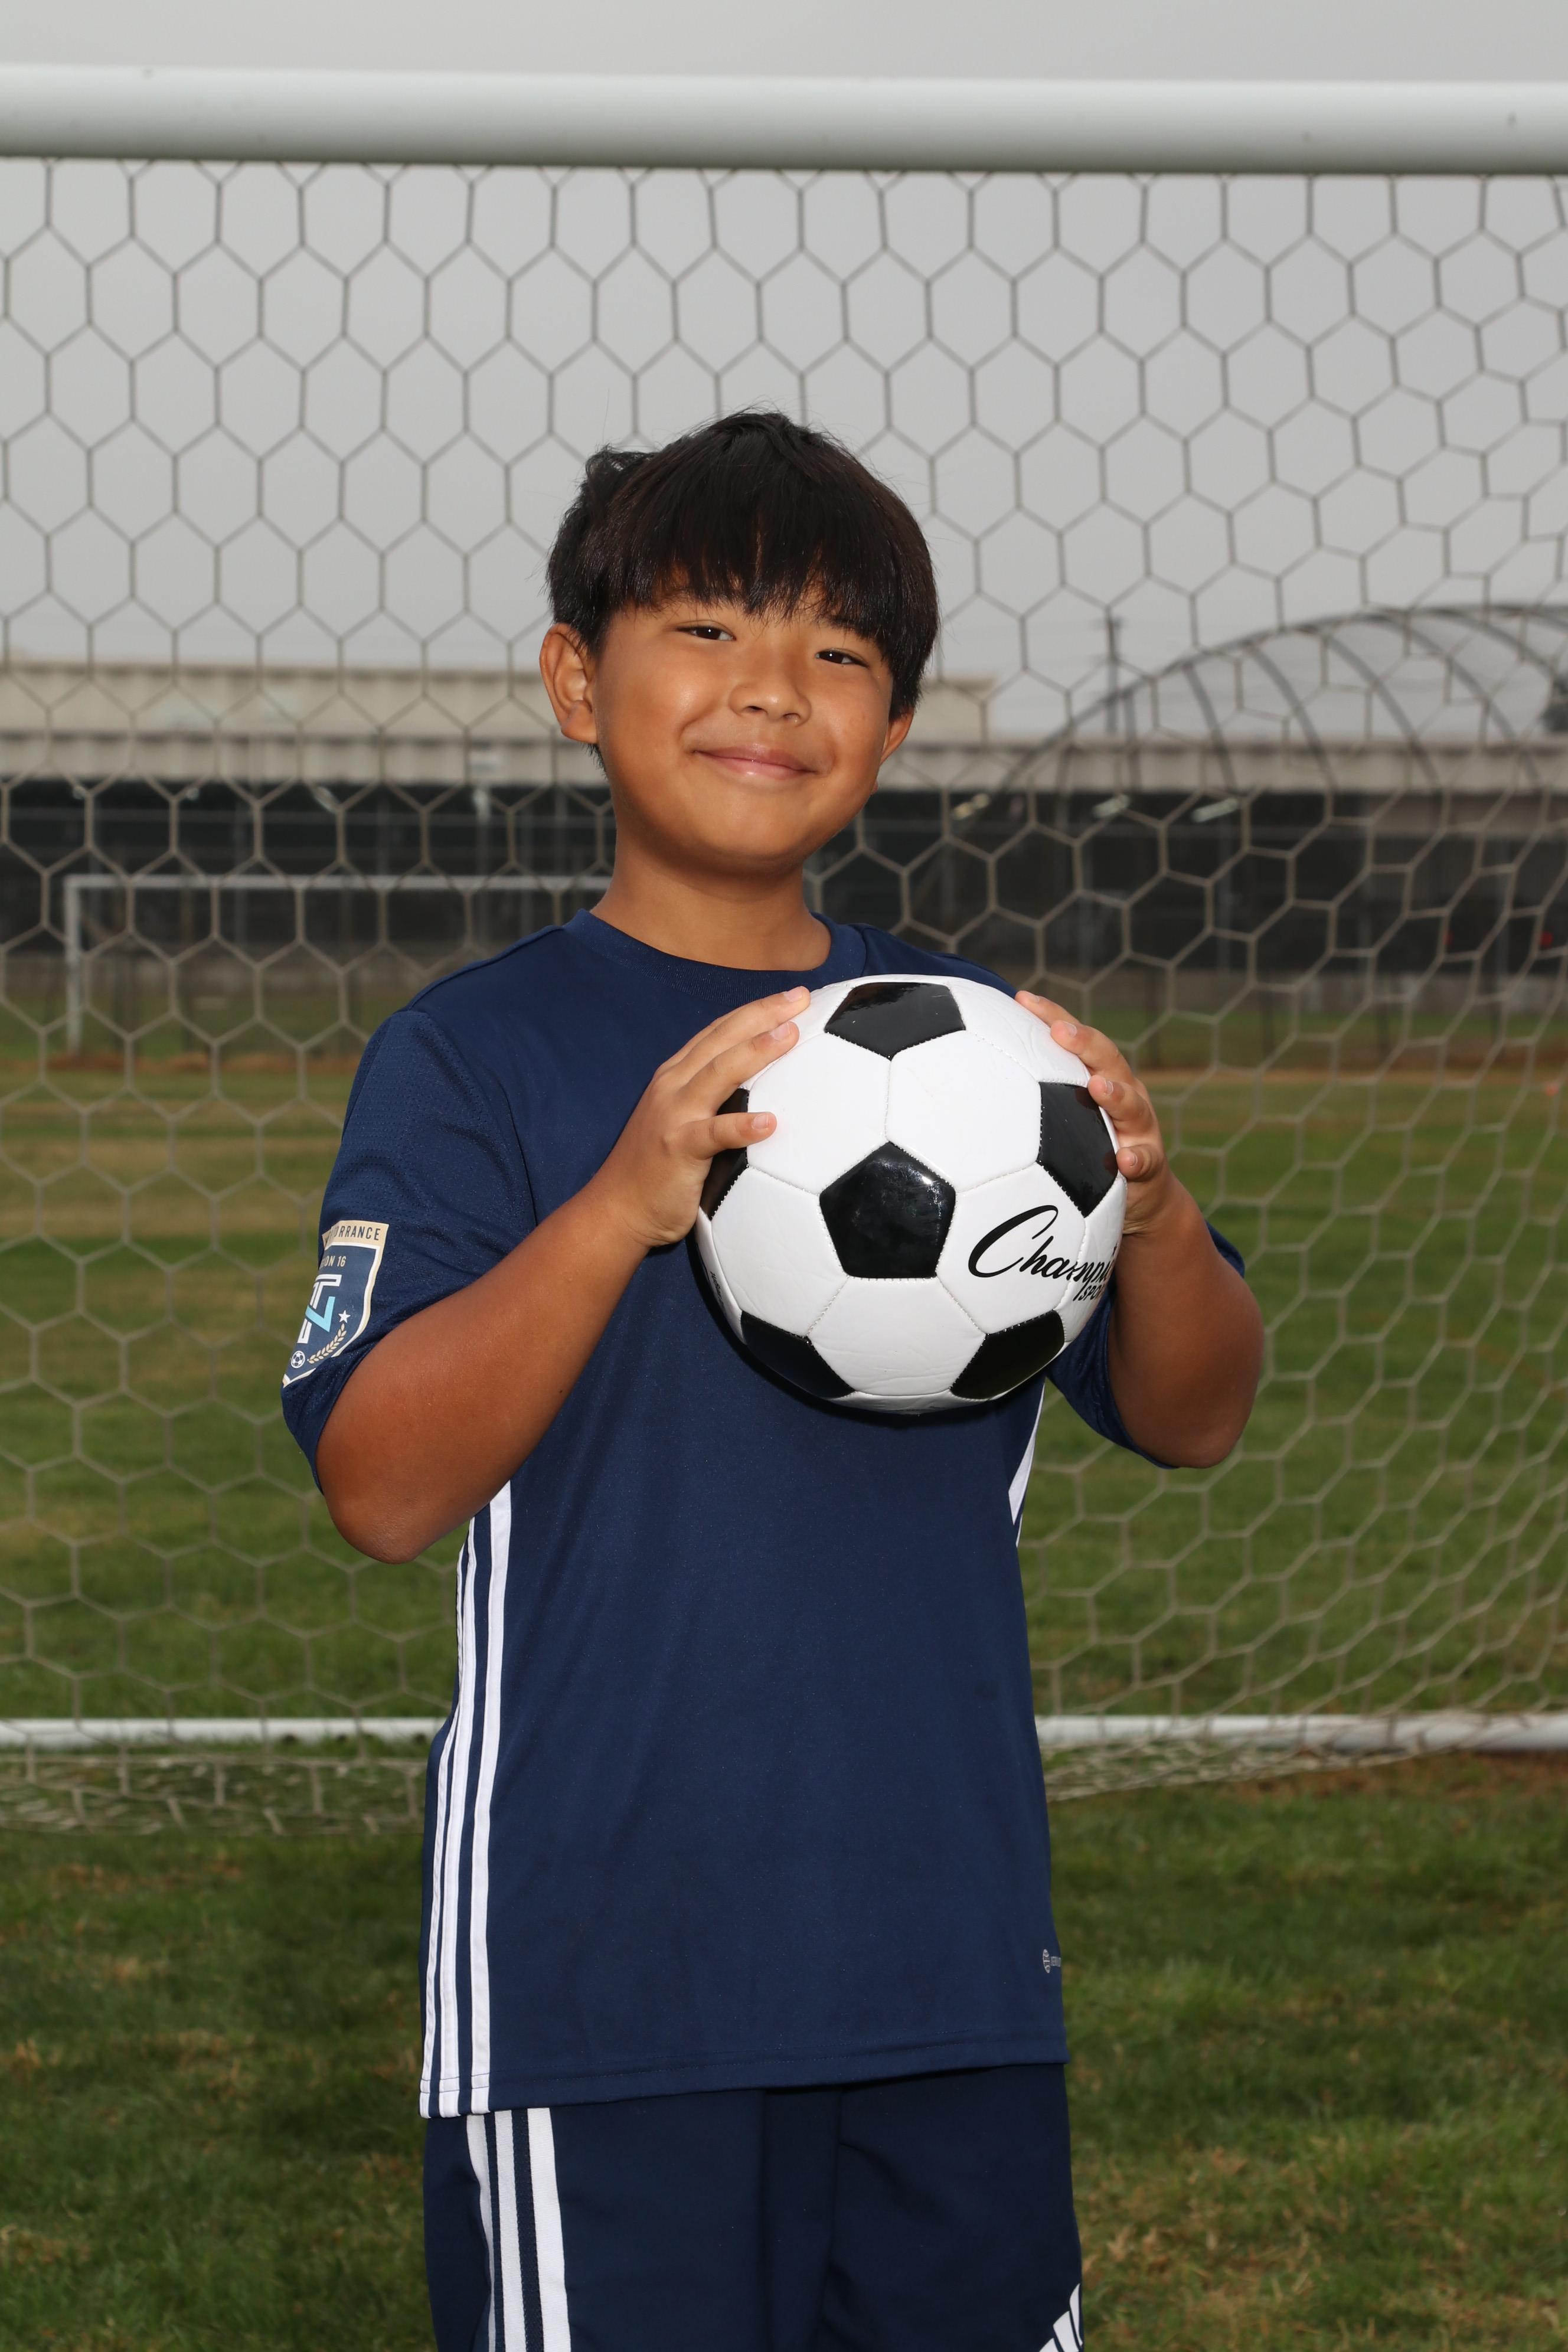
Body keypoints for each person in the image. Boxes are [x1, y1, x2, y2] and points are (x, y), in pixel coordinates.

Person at [280, 411, 1262, 2351]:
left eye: (838, 650)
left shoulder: (989, 1061)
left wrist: (1148, 1208)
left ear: (893, 725)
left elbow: (1198, 1410)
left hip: (949, 1968)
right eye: (710, 629)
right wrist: (617, 1208)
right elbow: (381, 1486)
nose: (771, 689)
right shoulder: (475, 1059)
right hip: (599, 1985)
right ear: (578, 681)